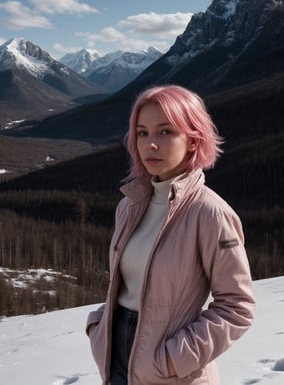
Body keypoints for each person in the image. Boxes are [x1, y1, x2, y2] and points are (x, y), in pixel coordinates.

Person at [86, 84, 255, 385]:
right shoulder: (130, 206)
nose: (151, 144)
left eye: (165, 132)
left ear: (192, 139)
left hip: (173, 371)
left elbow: (237, 306)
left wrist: (173, 358)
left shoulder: (209, 213)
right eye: (142, 132)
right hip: (116, 357)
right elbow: (128, 283)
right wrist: (99, 325)